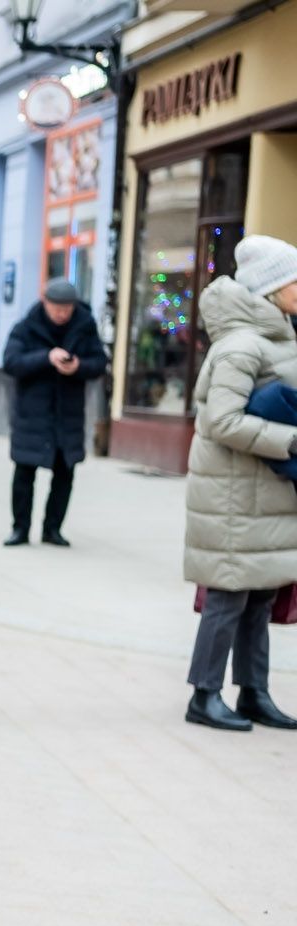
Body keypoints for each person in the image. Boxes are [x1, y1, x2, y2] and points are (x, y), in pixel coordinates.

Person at [182, 235, 297, 731]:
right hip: (232, 493)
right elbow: (221, 421)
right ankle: (204, 695)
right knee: (228, 597)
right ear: (272, 287)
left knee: (260, 594)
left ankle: (254, 693)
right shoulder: (241, 345)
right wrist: (291, 440)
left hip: (263, 489)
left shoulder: (278, 336)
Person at [1, 278, 108, 547]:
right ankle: (20, 529)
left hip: (67, 415)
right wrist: (46, 357)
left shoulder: (85, 326)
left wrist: (78, 366)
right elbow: (11, 362)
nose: (61, 313)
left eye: (67, 309)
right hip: (32, 414)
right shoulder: (26, 327)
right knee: (24, 473)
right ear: (45, 302)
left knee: (64, 474)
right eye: (57, 308)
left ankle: (53, 529)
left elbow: (99, 363)